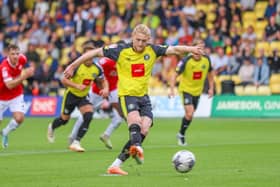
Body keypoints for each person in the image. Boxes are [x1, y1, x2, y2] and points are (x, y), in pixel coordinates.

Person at [63, 24, 204, 175]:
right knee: (134, 121)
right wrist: (72, 65)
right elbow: (93, 53)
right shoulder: (120, 50)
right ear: (133, 38)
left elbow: (175, 49)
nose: (141, 44)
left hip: (144, 96)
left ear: (148, 40)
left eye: (144, 40)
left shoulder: (153, 50)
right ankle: (137, 147)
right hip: (127, 95)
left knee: (145, 129)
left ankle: (116, 165)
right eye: (138, 40)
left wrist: (191, 49)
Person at [47, 40, 109, 152]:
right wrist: (76, 85)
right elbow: (64, 80)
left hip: (83, 97)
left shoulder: (97, 68)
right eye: (87, 55)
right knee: (64, 120)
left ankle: (76, 142)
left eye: (92, 55)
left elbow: (102, 80)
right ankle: (52, 127)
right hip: (71, 95)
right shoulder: (76, 66)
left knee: (89, 115)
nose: (90, 57)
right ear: (83, 55)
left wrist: (105, 89)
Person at [69, 40, 123, 150]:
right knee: (87, 114)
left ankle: (106, 135)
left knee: (119, 117)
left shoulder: (125, 61)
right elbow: (96, 68)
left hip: (113, 90)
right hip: (97, 91)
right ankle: (73, 136)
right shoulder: (106, 61)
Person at [169, 41, 214, 146]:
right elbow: (174, 75)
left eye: (201, 49)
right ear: (192, 49)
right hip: (186, 90)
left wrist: (211, 88)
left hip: (197, 92)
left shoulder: (206, 60)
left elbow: (211, 73)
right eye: (196, 48)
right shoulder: (186, 61)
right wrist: (171, 89)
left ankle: (180, 133)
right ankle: (182, 135)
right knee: (190, 113)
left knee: (190, 116)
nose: (198, 51)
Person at [0, 44, 35, 148]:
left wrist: (30, 70)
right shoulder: (4, 67)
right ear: (8, 54)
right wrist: (24, 76)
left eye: (17, 53)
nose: (15, 56)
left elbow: (29, 67)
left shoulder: (22, 59)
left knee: (19, 118)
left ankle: (5, 132)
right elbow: (9, 85)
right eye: (12, 54)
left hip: (16, 94)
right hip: (1, 96)